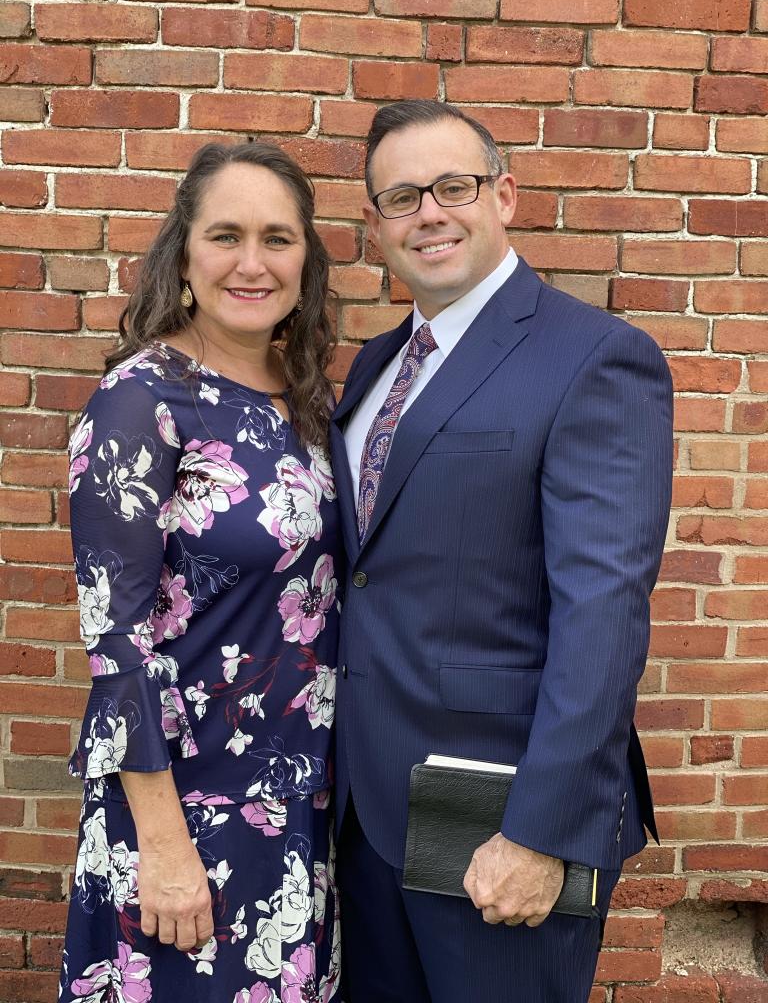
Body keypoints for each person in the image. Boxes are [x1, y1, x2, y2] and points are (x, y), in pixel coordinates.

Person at [330, 100, 673, 1003]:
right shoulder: (373, 367)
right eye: (401, 197)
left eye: (453, 186)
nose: (428, 213)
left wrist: (540, 834)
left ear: (504, 195)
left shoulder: (595, 357)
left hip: (498, 822)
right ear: (375, 226)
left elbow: (604, 614)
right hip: (364, 817)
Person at [60, 142, 341, 1003]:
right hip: (187, 814)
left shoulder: (306, 398)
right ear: (183, 255)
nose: (252, 262)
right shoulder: (141, 402)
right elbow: (118, 644)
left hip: (297, 808)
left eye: (277, 238)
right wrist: (164, 843)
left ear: (307, 259)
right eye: (226, 235)